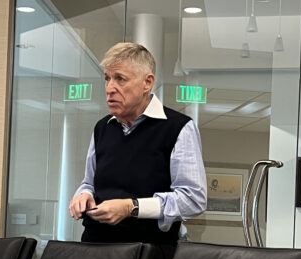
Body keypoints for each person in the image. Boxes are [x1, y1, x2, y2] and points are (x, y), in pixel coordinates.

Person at [68, 42, 207, 246]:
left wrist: (131, 207)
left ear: (147, 83)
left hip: (148, 257)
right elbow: (89, 182)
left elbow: (193, 199)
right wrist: (83, 195)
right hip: (94, 250)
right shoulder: (102, 128)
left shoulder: (179, 128)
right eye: (107, 79)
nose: (109, 89)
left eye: (120, 79)